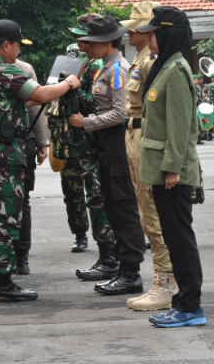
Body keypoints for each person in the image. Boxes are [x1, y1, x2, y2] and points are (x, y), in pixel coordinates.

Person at [0, 19, 82, 302]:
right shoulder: (4, 70)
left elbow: (23, 100)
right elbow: (41, 94)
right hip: (4, 151)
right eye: (17, 46)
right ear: (7, 45)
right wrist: (68, 84)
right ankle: (1, 282)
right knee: (6, 217)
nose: (18, 52)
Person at [137, 6, 208, 328]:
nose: (149, 39)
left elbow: (181, 128)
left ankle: (190, 306)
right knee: (173, 236)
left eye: (153, 33)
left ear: (166, 33)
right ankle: (184, 303)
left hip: (172, 172)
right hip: (163, 168)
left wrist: (172, 169)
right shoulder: (165, 67)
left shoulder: (176, 71)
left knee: (180, 238)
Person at [69, 15, 146, 296]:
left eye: (90, 42)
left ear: (106, 42)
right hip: (105, 145)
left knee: (123, 208)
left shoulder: (118, 70)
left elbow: (121, 112)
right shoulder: (105, 67)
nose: (85, 47)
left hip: (117, 144)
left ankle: (130, 272)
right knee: (112, 207)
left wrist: (85, 122)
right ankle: (121, 267)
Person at [120, 2, 177, 311]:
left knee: (152, 211)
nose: (130, 32)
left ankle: (165, 281)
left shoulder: (151, 61)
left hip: (145, 135)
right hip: (134, 133)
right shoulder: (140, 59)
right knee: (145, 208)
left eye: (136, 27)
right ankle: (163, 277)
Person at [14, 59, 51, 275]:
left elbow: (36, 105)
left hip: (22, 141)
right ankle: (0, 258)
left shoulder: (24, 68)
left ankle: (21, 256)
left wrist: (42, 141)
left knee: (22, 200)